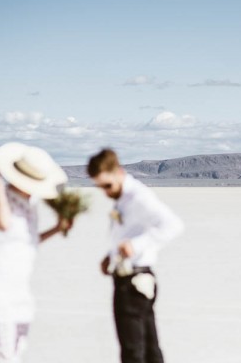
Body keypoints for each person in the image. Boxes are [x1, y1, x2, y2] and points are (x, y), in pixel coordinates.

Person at [0, 142, 72, 363]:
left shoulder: (29, 205)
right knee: (1, 356)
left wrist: (57, 228)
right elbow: (4, 224)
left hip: (20, 291)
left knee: (16, 353)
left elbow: (27, 241)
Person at [87, 148, 184, 363]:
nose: (105, 192)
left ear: (119, 172)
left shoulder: (138, 197)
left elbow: (173, 225)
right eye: (100, 187)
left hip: (133, 283)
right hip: (135, 279)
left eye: (107, 185)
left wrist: (136, 245)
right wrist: (110, 256)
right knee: (149, 348)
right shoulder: (123, 198)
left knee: (133, 352)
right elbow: (129, 232)